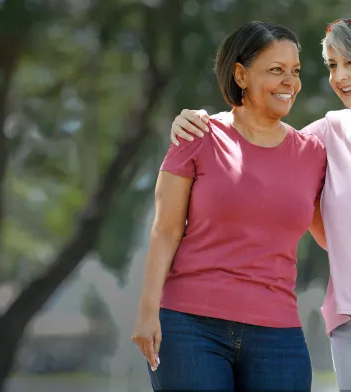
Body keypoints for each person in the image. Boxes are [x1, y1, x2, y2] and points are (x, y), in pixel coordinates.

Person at [131, 21, 326, 392]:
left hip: (278, 335)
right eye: (276, 70)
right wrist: (145, 314)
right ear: (240, 74)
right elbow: (166, 230)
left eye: (295, 71)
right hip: (190, 328)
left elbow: (332, 235)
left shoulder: (313, 153)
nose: (291, 82)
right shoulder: (197, 135)